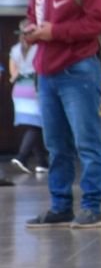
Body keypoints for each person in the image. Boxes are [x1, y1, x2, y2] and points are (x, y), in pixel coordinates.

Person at [17, 0, 101, 229]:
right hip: (47, 73)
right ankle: (61, 206)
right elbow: (33, 15)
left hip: (78, 71)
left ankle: (92, 207)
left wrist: (54, 32)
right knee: (56, 145)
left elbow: (98, 22)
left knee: (87, 142)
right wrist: (31, 30)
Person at [8, 20, 48, 175]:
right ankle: (22, 156)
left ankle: (42, 163)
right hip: (34, 88)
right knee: (37, 125)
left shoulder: (14, 49)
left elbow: (13, 75)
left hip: (18, 90)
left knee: (33, 125)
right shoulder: (39, 47)